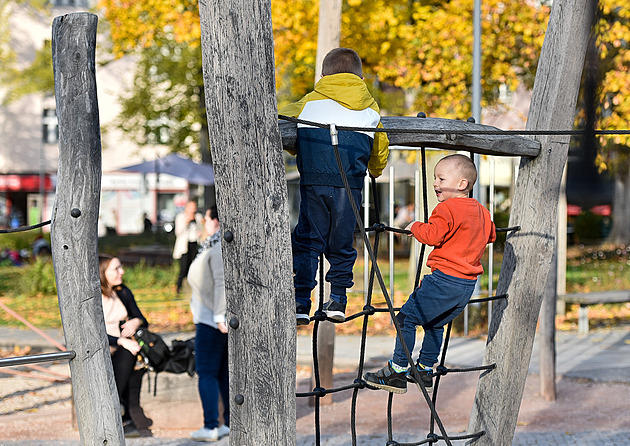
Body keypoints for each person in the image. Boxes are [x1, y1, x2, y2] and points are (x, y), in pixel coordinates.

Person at [364, 154, 496, 394]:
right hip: (467, 285)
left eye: (441, 178)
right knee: (435, 324)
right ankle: (424, 369)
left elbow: (432, 236)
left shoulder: (447, 208)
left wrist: (415, 226)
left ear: (461, 184)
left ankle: (397, 370)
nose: (435, 183)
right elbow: (490, 236)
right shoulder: (482, 211)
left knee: (406, 318)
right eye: (435, 177)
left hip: (444, 280)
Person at [280, 47, 390, 325]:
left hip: (314, 183)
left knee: (307, 240)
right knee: (342, 242)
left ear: (323, 76)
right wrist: (375, 169)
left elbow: (282, 118)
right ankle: (338, 298)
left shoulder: (309, 103)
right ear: (361, 80)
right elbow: (379, 150)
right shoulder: (370, 109)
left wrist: (302, 149)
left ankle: (301, 301)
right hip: (350, 187)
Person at [187, 207, 230, 441]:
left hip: (211, 320)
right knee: (222, 373)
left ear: (215, 220)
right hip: (213, 317)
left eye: (205, 218)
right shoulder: (213, 244)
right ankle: (228, 423)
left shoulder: (218, 247)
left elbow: (222, 283)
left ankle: (211, 425)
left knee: (206, 372)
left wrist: (219, 315)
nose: (203, 222)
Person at [99, 255, 148, 437]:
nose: (122, 272)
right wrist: (120, 340)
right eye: (116, 269)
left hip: (122, 348)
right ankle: (119, 413)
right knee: (127, 351)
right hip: (100, 348)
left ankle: (121, 413)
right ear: (102, 272)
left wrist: (135, 322)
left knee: (129, 354)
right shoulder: (93, 296)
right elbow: (92, 333)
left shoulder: (122, 291)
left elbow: (142, 319)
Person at [173, 200, 203, 294]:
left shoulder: (198, 217)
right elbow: (178, 232)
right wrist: (186, 222)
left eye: (194, 207)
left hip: (194, 244)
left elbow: (201, 230)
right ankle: (178, 287)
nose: (192, 209)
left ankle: (193, 288)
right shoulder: (181, 217)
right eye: (191, 207)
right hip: (184, 246)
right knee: (183, 268)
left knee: (194, 267)